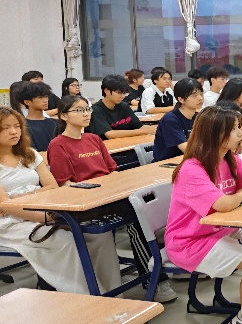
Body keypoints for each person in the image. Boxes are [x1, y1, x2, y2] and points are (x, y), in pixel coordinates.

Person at [47, 96, 177, 303]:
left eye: (87, 109)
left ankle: (160, 273)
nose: (86, 114)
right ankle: (155, 280)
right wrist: (99, 190)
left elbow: (112, 171)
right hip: (88, 204)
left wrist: (117, 186)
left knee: (146, 212)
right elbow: (65, 184)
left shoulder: (93, 139)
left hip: (109, 196)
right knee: (139, 221)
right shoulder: (58, 145)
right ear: (63, 116)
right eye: (79, 110)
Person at [165, 106, 242, 324]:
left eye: (240, 126)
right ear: (215, 134)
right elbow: (222, 204)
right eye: (234, 128)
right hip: (189, 242)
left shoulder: (228, 158)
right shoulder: (192, 169)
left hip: (221, 230)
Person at [0, 106, 120, 294]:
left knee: (100, 236)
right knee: (65, 240)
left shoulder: (29, 154)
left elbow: (52, 186)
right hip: (12, 223)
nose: (14, 132)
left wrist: (27, 199)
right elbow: (5, 206)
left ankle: (114, 293)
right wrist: (46, 216)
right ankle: (88, 297)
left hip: (44, 208)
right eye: (5, 128)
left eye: (16, 126)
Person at [88, 75, 157, 140]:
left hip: (127, 143)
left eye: (124, 93)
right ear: (107, 91)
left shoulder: (124, 106)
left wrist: (154, 129)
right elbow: (110, 134)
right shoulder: (96, 110)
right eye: (119, 93)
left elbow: (139, 126)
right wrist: (143, 131)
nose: (122, 96)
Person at [152, 78, 202, 162]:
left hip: (189, 160)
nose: (200, 98)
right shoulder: (170, 120)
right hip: (167, 163)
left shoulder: (199, 117)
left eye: (201, 94)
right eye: (194, 95)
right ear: (181, 99)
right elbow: (186, 149)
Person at [16, 81, 56, 152]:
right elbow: (31, 152)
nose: (45, 100)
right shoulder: (23, 126)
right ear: (27, 102)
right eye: (40, 97)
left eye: (46, 97)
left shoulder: (54, 122)